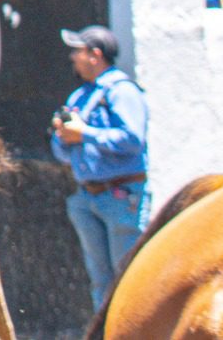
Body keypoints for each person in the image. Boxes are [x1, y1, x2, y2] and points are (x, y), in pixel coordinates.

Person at [50, 23, 150, 310]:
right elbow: (63, 151)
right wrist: (65, 137)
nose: (73, 57)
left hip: (120, 196)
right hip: (87, 196)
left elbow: (132, 139)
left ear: (95, 54)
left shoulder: (122, 91)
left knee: (127, 276)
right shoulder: (80, 96)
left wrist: (85, 134)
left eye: (78, 51)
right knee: (100, 280)